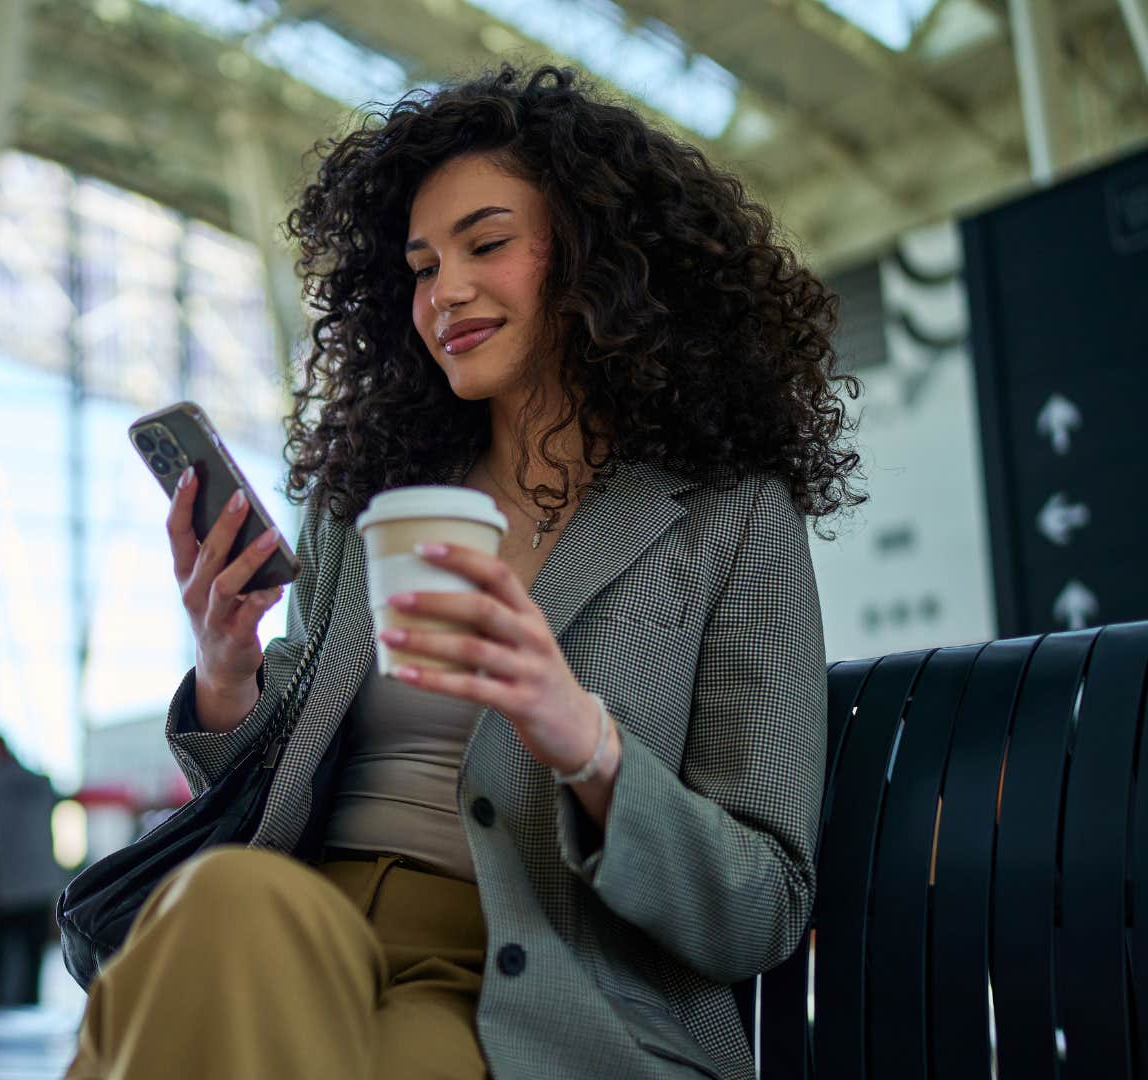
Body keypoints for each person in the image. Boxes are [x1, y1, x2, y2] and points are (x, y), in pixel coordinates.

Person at [66, 64, 860, 1080]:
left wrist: (584, 741)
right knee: (230, 903)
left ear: (597, 257)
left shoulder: (729, 520)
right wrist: (227, 672)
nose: (445, 293)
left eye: (486, 244)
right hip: (296, 924)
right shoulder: (367, 507)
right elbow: (276, 786)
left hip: (534, 981)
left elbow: (761, 906)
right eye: (421, 265)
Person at [0, 732, 67, 1008]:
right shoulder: (39, 784)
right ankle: (29, 1009)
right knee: (31, 959)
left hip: (3, 890)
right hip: (38, 887)